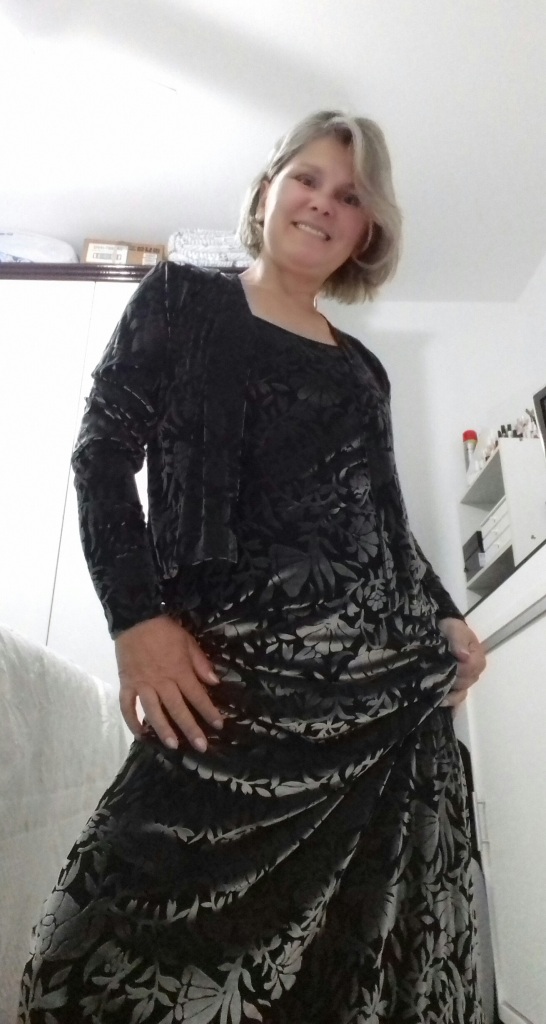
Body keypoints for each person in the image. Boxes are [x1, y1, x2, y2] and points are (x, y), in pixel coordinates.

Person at [19, 110, 486, 1024]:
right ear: (268, 188)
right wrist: (135, 621)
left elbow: (386, 522)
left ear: (368, 230)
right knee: (90, 956)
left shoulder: (364, 370)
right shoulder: (180, 300)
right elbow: (102, 456)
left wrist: (447, 614)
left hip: (388, 694)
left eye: (350, 196)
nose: (323, 204)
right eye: (307, 178)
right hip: (231, 680)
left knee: (357, 961)